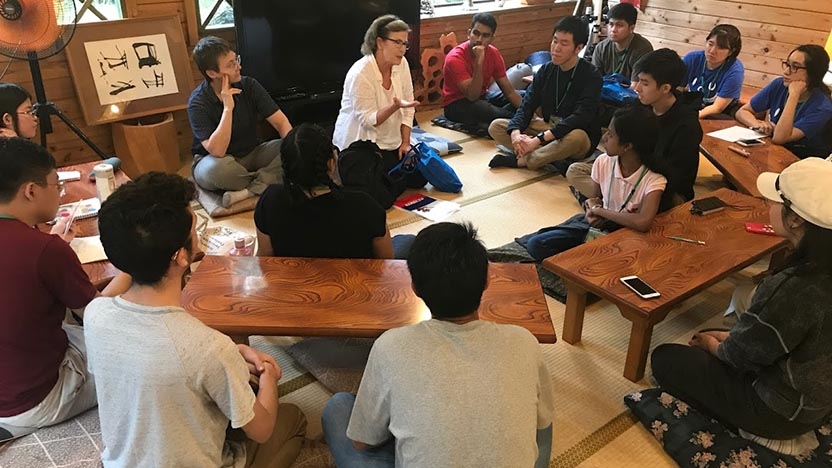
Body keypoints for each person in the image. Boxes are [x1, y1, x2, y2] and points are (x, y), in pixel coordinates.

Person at [85, 172, 307, 467]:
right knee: (293, 419)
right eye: (195, 228)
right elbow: (262, 429)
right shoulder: (208, 347)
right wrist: (269, 376)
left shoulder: (96, 314)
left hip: (121, 462)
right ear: (180, 256)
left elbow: (166, 358)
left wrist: (234, 353)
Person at [321, 221, 555, 468]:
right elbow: (541, 422)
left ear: (414, 288)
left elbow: (362, 442)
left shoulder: (390, 346)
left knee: (337, 408)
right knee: (542, 419)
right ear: (487, 280)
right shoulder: (524, 341)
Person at [651, 157, 832, 455]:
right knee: (719, 331)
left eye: (775, 200)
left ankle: (757, 433)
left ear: (797, 219)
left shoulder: (794, 287)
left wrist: (712, 344)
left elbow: (737, 357)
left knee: (666, 358)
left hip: (782, 411)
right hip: (816, 393)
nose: (768, 205)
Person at [0, 138, 130, 442]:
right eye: (55, 185)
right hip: (34, 399)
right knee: (134, 352)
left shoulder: (43, 247)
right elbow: (98, 317)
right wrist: (133, 270)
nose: (59, 194)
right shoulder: (46, 250)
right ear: (30, 190)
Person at [516, 106, 666, 262]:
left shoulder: (653, 179)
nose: (605, 137)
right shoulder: (604, 161)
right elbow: (595, 199)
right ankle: (581, 260)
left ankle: (581, 260)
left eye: (611, 134)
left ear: (627, 146)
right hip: (601, 227)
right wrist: (592, 211)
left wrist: (601, 212)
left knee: (633, 259)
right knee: (537, 244)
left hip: (629, 235)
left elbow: (643, 222)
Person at [568, 48, 702, 212]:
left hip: (661, 186)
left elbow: (678, 179)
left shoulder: (686, 125)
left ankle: (604, 204)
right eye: (638, 80)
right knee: (575, 170)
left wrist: (630, 177)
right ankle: (608, 204)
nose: (636, 88)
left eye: (645, 83)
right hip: (628, 171)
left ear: (665, 88)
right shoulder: (640, 106)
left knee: (659, 205)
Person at [255, 123, 413, 259]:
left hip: (295, 288)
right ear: (331, 164)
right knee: (408, 241)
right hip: (355, 289)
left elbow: (265, 258)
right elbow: (386, 261)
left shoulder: (270, 200)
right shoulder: (363, 204)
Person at [187, 36, 294, 208]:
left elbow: (281, 122)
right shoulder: (198, 102)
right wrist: (228, 109)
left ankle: (248, 191)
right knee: (219, 172)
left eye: (236, 60)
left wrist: (294, 149)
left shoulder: (249, 85)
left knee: (294, 150)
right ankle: (268, 179)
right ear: (212, 73)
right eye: (230, 65)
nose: (238, 67)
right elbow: (218, 150)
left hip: (253, 152)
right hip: (215, 161)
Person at [488, 16, 602, 171]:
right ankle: (549, 158)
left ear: (578, 48)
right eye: (555, 41)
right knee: (497, 126)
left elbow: (580, 118)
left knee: (577, 137)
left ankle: (525, 160)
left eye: (564, 43)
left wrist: (537, 140)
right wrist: (515, 133)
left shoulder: (591, 75)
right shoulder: (546, 70)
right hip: (548, 130)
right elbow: (527, 105)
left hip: (574, 135)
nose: (556, 48)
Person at [735, 44, 832, 159]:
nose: (786, 71)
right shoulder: (779, 84)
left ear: (813, 73)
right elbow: (742, 112)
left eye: (795, 67)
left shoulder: (822, 107)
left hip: (801, 159)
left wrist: (794, 95)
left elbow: (780, 138)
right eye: (787, 64)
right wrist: (757, 125)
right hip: (774, 151)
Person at [441, 12, 523, 127]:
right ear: (469, 33)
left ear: (492, 38)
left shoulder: (493, 53)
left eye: (485, 36)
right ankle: (520, 121)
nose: (479, 39)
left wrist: (528, 110)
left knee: (525, 96)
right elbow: (472, 95)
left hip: (483, 97)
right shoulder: (455, 58)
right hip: (456, 104)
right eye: (476, 33)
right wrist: (479, 61)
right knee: (484, 108)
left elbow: (509, 91)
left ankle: (522, 119)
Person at [682, 24, 745, 119]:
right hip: (693, 104)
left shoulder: (735, 71)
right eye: (710, 44)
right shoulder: (692, 58)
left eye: (721, 48)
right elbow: (677, 89)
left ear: (731, 51)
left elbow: (717, 108)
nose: (712, 51)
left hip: (720, 112)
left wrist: (688, 117)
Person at [591, 2, 653, 81]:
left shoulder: (642, 48)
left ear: (631, 28)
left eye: (619, 25)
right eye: (611, 24)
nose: (613, 30)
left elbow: (638, 86)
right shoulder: (601, 48)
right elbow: (594, 81)